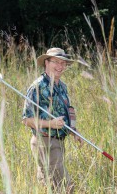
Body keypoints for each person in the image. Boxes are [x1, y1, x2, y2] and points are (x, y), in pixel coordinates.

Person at [22, 47, 83, 193]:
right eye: (56, 62)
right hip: (45, 142)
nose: (60, 66)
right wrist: (50, 124)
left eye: (63, 63)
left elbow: (67, 110)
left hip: (59, 142)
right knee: (65, 188)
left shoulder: (62, 86)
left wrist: (73, 131)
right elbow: (26, 120)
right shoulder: (37, 86)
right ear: (46, 63)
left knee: (49, 187)